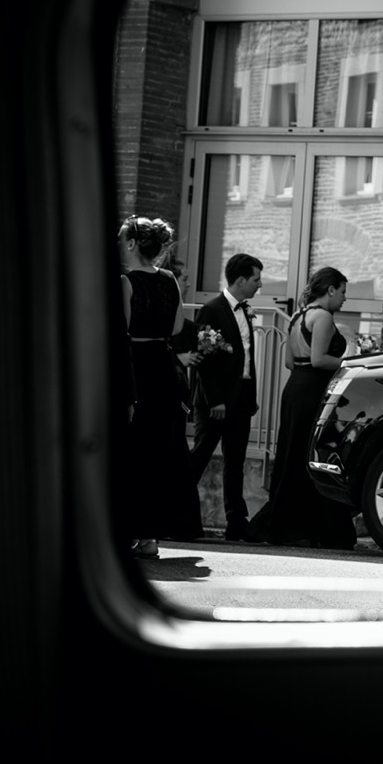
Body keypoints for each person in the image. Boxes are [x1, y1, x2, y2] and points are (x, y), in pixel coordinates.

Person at [246, 267, 358, 550]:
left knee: (292, 454)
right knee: (310, 456)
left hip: (295, 388)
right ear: (330, 290)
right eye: (342, 292)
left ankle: (287, 524)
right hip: (312, 391)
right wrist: (353, 363)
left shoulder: (298, 316)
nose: (344, 298)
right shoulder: (322, 317)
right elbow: (319, 360)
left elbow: (289, 362)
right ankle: (309, 528)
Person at [119, 215, 203, 557]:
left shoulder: (126, 281)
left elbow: (121, 330)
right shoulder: (169, 279)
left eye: (121, 238)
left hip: (136, 367)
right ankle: (150, 537)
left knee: (132, 453)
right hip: (163, 368)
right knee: (160, 452)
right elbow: (177, 325)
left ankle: (129, 532)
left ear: (131, 244)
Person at [188, 252, 264, 542]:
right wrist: (215, 400)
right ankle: (177, 513)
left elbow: (246, 358)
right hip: (215, 401)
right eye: (256, 279)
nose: (260, 285)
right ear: (241, 280)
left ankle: (236, 523)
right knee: (200, 456)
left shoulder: (246, 310)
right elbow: (204, 360)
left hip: (241, 397)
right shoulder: (211, 310)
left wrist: (251, 397)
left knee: (236, 463)